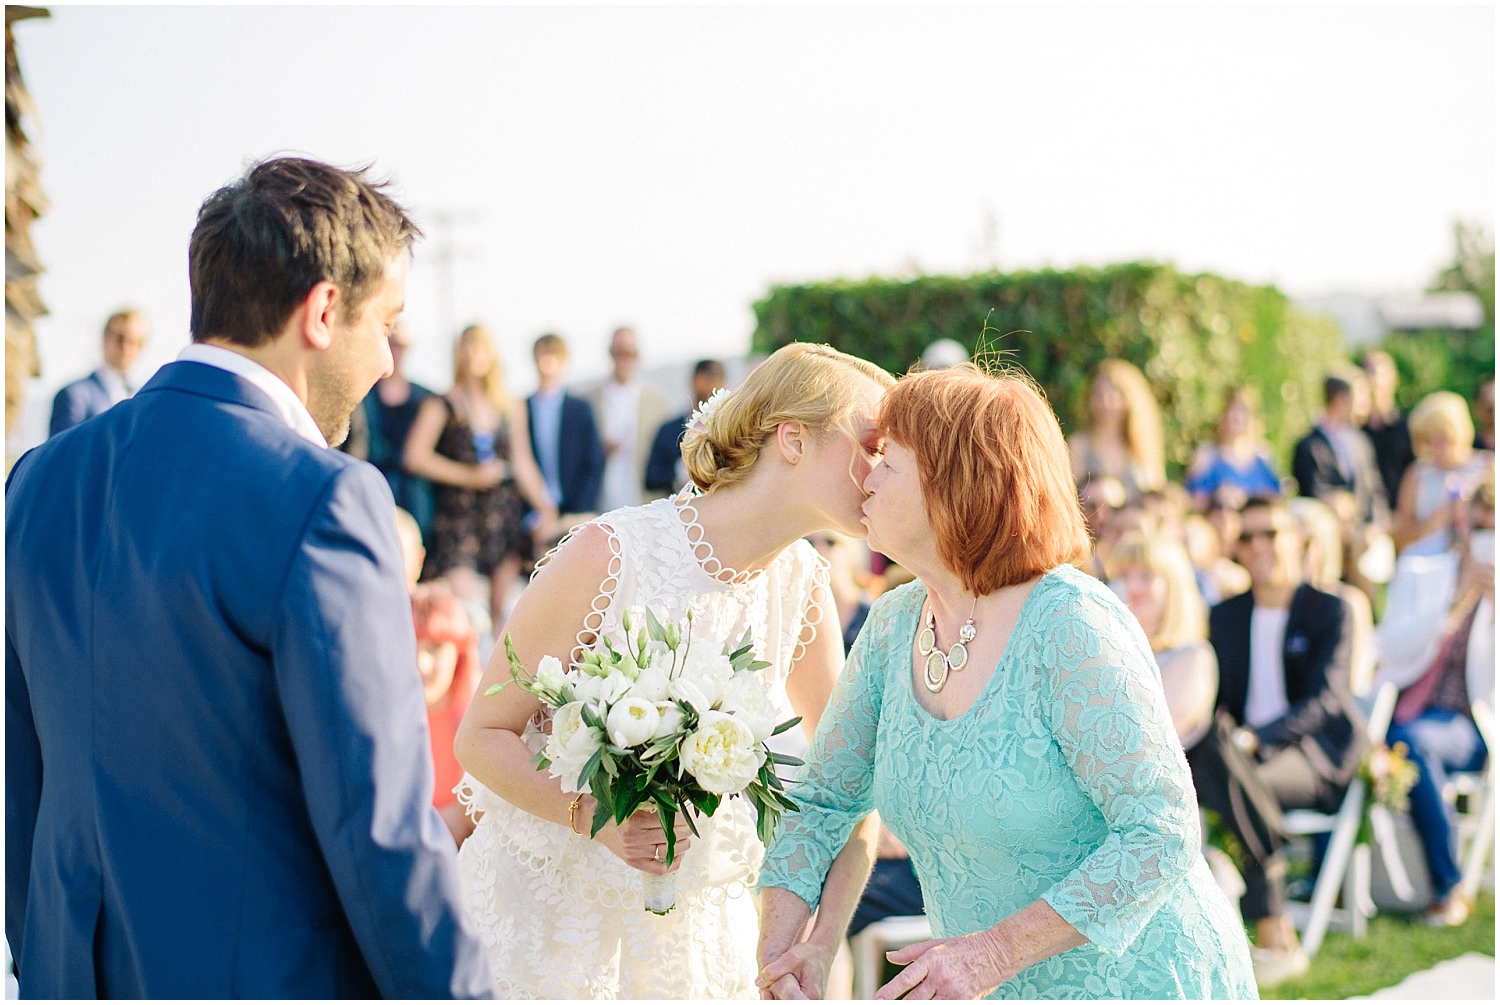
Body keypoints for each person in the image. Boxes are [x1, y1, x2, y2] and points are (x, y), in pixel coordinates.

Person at [4, 157, 492, 997]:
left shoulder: (38, 479)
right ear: (324, 310)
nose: (386, 359)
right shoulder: (326, 497)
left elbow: (21, 779)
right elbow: (380, 832)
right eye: (386, 323)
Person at [757, 365, 1256, 1000]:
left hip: (1145, 982)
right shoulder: (889, 626)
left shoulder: (1070, 623)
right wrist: (787, 951)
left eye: (888, 459)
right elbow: (825, 802)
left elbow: (1161, 828)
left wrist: (992, 954)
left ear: (953, 484)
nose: (867, 475)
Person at [452, 342, 895, 998]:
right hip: (554, 930)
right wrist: (592, 815)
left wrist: (819, 943)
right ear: (794, 440)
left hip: (699, 936)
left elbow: (849, 787)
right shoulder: (611, 553)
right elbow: (480, 735)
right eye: (870, 445)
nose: (882, 471)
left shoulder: (802, 584)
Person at [1187, 496, 1366, 988]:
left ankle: (1266, 917)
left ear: (1298, 541)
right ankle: (1272, 903)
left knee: (1232, 773)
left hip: (1313, 754)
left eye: (1271, 533)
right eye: (1248, 536)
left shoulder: (1331, 610)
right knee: (1209, 749)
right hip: (1240, 759)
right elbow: (1218, 699)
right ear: (1238, 550)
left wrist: (1252, 739)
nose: (1260, 545)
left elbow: (1325, 702)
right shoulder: (1224, 616)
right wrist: (1235, 740)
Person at [1379, 472, 1494, 928]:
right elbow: (1393, 650)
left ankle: (1448, 884)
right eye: (1476, 524)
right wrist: (1454, 604)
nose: (1482, 535)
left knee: (1412, 744)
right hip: (1404, 710)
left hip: (1471, 720)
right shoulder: (1421, 571)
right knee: (1395, 739)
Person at [405, 323, 558, 629]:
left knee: (506, 614)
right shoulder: (442, 404)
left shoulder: (509, 406)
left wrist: (546, 508)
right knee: (467, 612)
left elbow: (523, 462)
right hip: (460, 519)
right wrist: (469, 476)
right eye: (467, 345)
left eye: (479, 346)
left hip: (503, 518)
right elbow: (415, 457)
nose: (473, 353)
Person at [1107, 531, 1219, 750]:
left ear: (1173, 585)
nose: (1133, 587)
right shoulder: (1112, 651)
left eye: (1146, 576)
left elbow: (1153, 738)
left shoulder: (1193, 657)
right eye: (1124, 576)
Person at [1292, 370, 1391, 606]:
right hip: (1328, 529)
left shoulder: (1361, 442)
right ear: (1341, 400)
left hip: (1362, 528)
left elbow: (1375, 490)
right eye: (1361, 396)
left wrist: (1375, 524)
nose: (1366, 404)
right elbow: (1312, 489)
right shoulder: (1308, 446)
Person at [412, 581, 484, 848]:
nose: (422, 664)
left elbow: (470, 819)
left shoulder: (480, 720)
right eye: (413, 646)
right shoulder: (376, 724)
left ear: (460, 651)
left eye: (435, 648)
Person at [355, 318, 437, 538]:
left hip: (416, 495)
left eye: (401, 344)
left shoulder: (426, 398)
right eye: (391, 342)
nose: (395, 350)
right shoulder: (361, 396)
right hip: (373, 486)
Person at [527, 332, 605, 539]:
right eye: (542, 356)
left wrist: (580, 511)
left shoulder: (580, 409)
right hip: (532, 514)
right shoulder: (523, 409)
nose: (546, 363)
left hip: (574, 511)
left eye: (553, 356)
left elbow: (593, 462)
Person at [589, 326, 674, 512]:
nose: (623, 359)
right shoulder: (589, 401)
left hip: (644, 505)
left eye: (629, 353)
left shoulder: (657, 403)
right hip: (600, 505)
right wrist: (599, 450)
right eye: (618, 353)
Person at [1067, 358, 1166, 505]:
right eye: (1099, 394)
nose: (1107, 402)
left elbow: (1156, 496)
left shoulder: (1143, 447)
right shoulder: (1078, 445)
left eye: (1114, 394)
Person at [47, 308, 149, 436]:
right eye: (120, 339)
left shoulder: (143, 397)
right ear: (105, 338)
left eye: (135, 342)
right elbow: (61, 452)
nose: (126, 349)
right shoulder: (75, 395)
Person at [1185, 388, 1284, 512]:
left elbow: (1278, 498)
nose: (1236, 417)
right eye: (1231, 410)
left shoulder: (1263, 455)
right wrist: (1216, 497)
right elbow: (1192, 501)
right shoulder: (1206, 454)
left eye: (1242, 411)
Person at [645, 358, 727, 497]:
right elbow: (651, 478)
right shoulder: (667, 430)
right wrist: (677, 472)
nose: (711, 387)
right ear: (695, 380)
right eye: (707, 379)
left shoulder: (727, 430)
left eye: (715, 380)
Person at [1360, 349, 1415, 513]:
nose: (1373, 380)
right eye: (1367, 373)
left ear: (1394, 379)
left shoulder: (1408, 426)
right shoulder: (1353, 432)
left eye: (1377, 373)